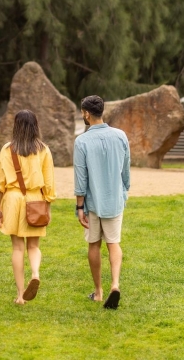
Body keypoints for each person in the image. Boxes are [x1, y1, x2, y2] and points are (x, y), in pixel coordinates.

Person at [0, 110, 56, 305]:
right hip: (35, 199)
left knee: (18, 248)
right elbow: (49, 182)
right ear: (35, 125)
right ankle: (35, 273)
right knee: (34, 245)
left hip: (12, 200)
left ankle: (20, 295)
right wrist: (48, 206)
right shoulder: (43, 149)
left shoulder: (7, 149)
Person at [74, 95, 130, 310]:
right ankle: (115, 284)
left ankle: (98, 292)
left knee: (94, 244)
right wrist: (124, 191)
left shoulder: (82, 141)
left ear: (86, 113)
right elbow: (126, 168)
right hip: (115, 199)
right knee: (113, 242)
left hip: (93, 203)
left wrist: (80, 206)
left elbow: (81, 178)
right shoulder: (120, 135)